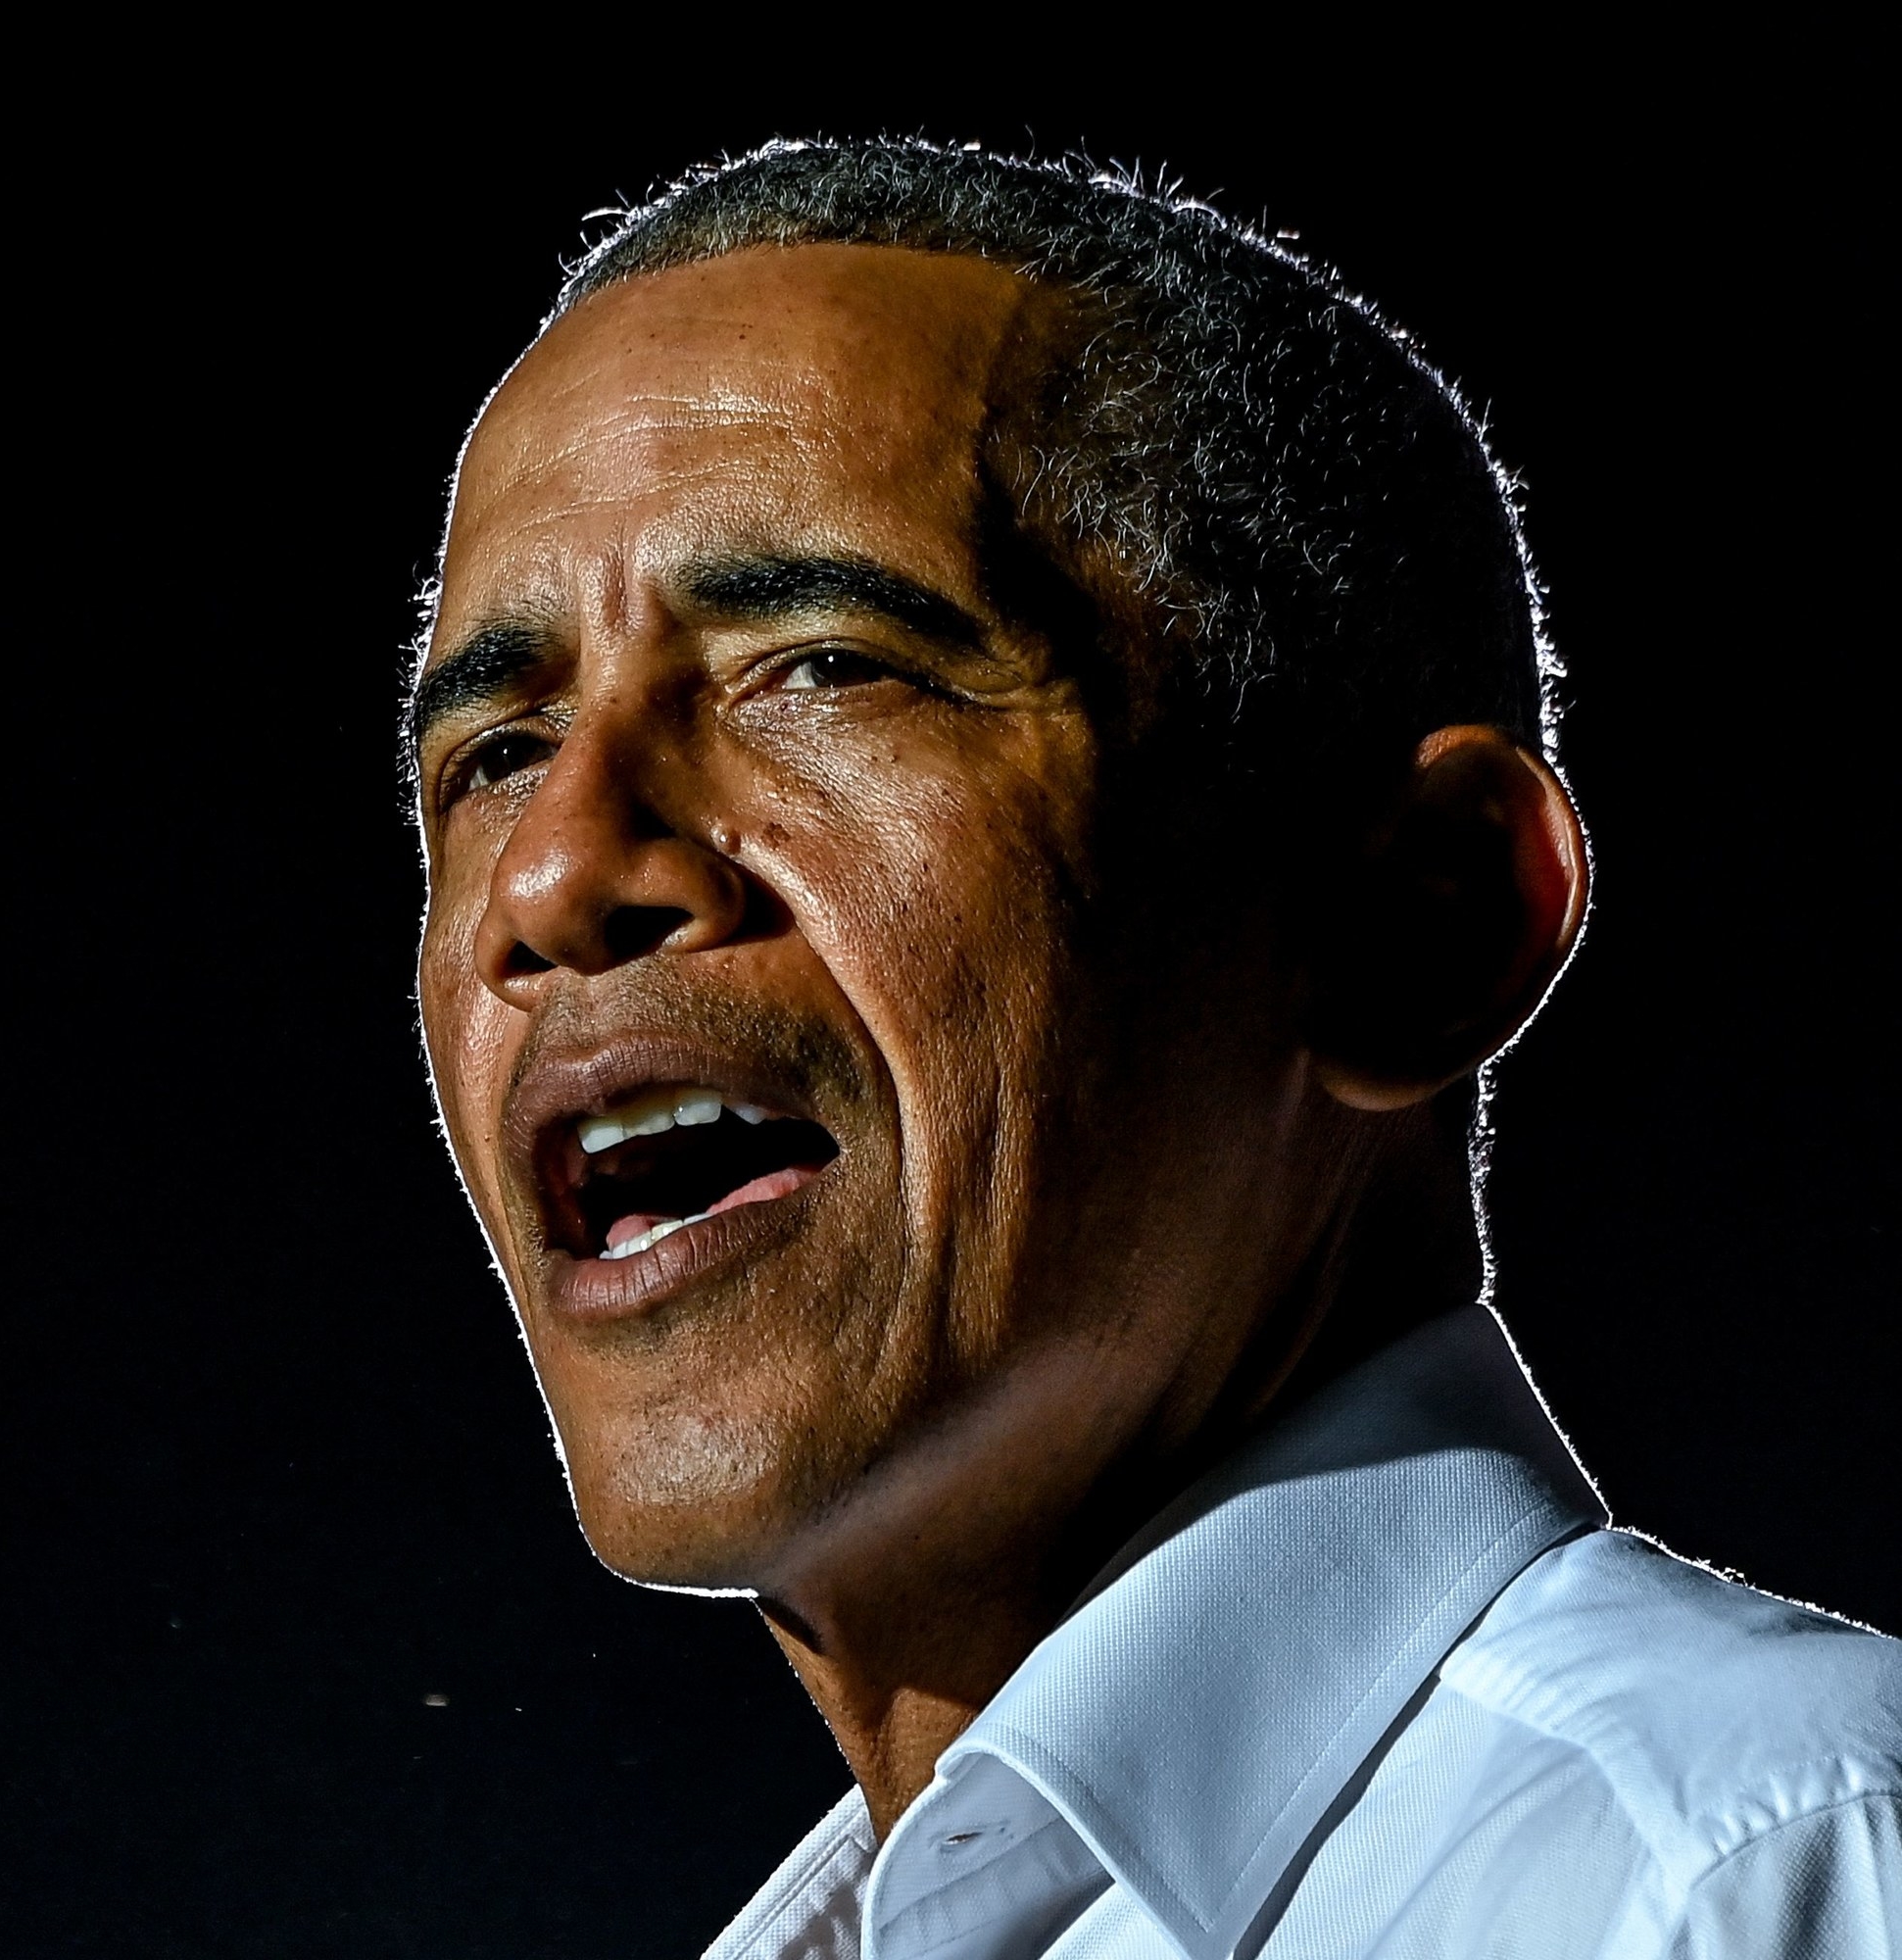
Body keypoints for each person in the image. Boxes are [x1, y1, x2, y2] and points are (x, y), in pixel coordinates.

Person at [406, 139, 1899, 1958]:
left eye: (824, 662)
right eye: (491, 754)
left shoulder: (1782, 1873)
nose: (556, 874)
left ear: (1422, 924)